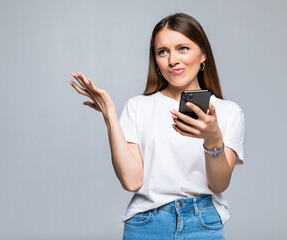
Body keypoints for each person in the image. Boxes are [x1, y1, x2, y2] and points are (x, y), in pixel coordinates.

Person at [69, 13, 244, 240]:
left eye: (183, 48)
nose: (173, 60)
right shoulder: (138, 107)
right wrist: (110, 115)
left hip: (203, 224)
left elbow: (219, 184)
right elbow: (131, 181)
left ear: (203, 55)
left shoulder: (229, 112)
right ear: (157, 63)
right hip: (146, 223)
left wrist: (213, 140)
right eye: (163, 52)